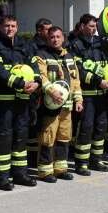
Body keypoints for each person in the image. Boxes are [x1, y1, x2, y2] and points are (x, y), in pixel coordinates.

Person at [0, 15, 40, 190]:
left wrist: (37, 83)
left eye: (13, 26)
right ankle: (1, 177)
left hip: (22, 101)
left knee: (20, 138)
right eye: (7, 26)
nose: (10, 29)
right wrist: (22, 84)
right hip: (2, 103)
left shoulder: (26, 45)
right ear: (1, 27)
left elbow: (34, 66)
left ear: (17, 27)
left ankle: (20, 173)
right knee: (3, 139)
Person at [30, 26, 83, 182]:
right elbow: (41, 76)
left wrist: (78, 99)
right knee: (48, 137)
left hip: (67, 106)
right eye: (52, 37)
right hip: (50, 105)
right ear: (48, 39)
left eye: (58, 37)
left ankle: (60, 169)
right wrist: (51, 91)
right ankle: (45, 171)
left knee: (64, 137)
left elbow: (76, 81)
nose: (55, 40)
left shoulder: (70, 57)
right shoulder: (42, 55)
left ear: (63, 38)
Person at [68, 14, 108, 176]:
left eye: (95, 27)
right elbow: (78, 70)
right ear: (82, 26)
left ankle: (96, 160)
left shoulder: (101, 44)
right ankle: (81, 163)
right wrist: (97, 80)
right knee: (86, 128)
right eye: (91, 26)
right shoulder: (75, 45)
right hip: (87, 95)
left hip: (103, 94)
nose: (94, 29)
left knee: (101, 128)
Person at [26, 18, 53, 172]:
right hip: (36, 92)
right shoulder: (31, 47)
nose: (50, 33)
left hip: (48, 91)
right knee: (33, 126)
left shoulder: (50, 46)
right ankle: (32, 159)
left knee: (44, 125)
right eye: (47, 30)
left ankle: (41, 158)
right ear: (39, 30)